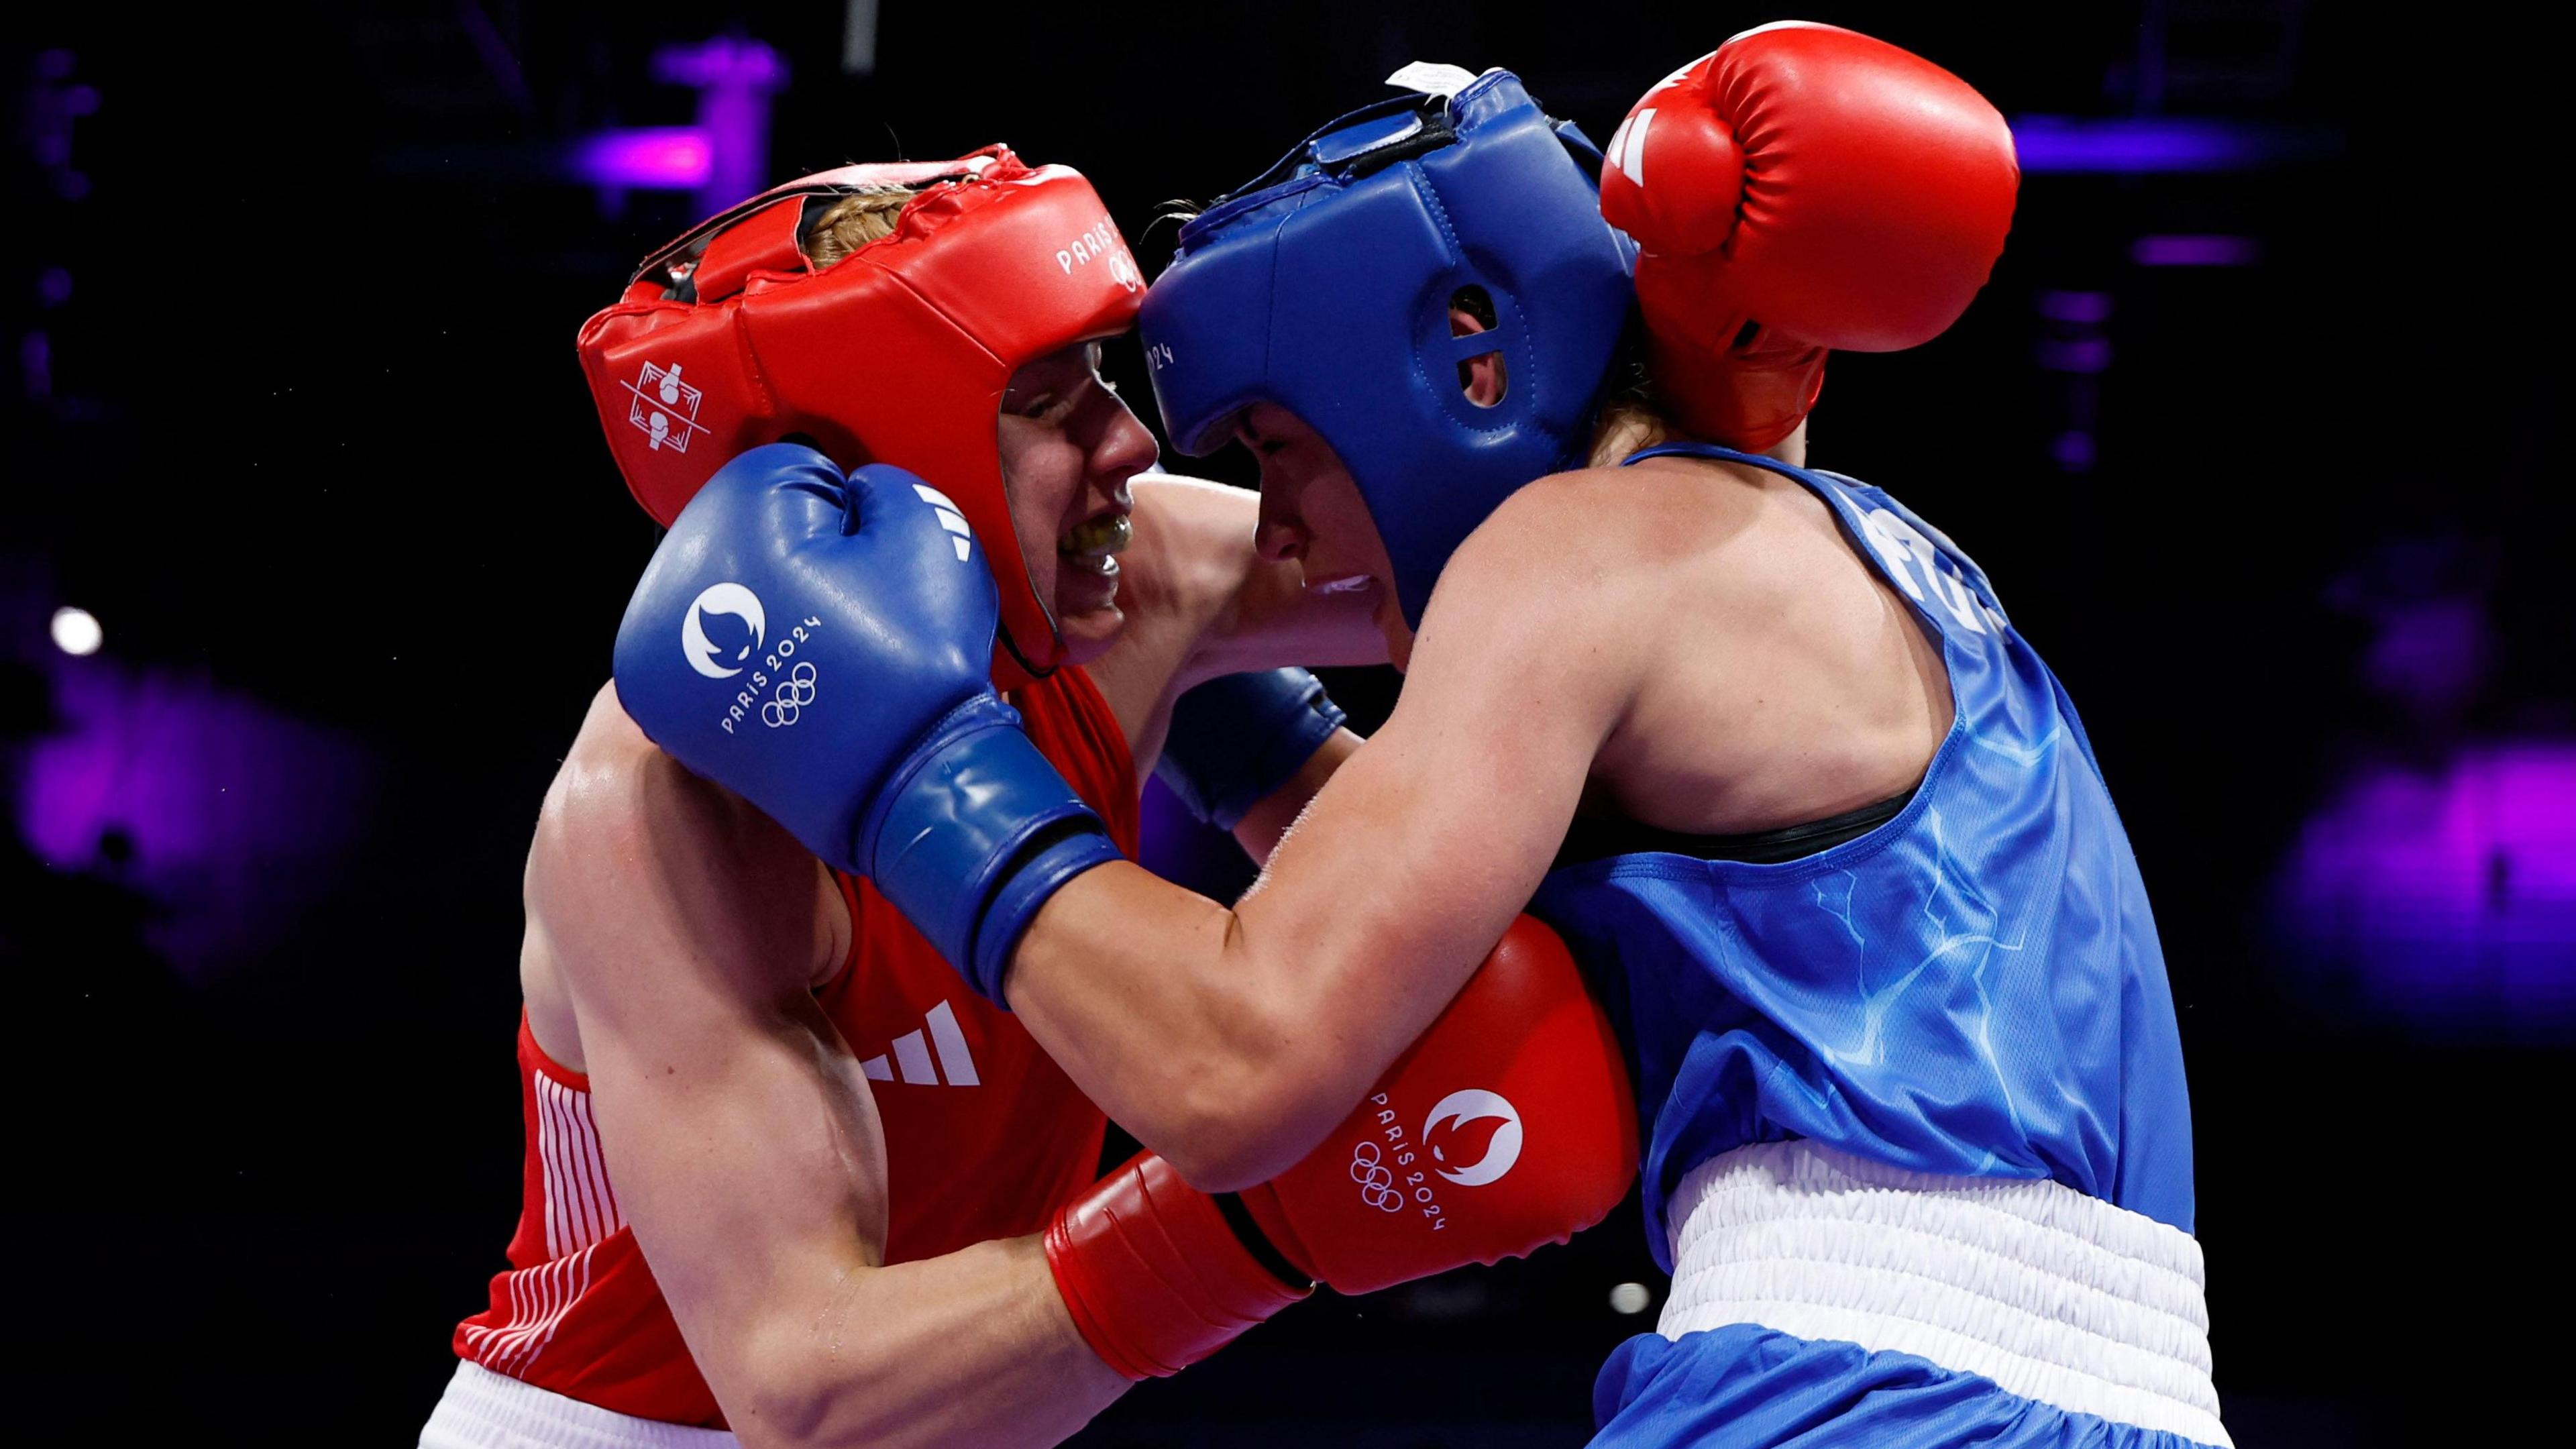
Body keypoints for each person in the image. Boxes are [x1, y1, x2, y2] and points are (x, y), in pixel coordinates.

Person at [612, 24, 2231, 1449]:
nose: (1280, 543)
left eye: (1271, 448)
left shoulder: (1561, 555)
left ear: (1455, 368)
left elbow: (1232, 1066)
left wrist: (921, 773)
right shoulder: (1821, 542)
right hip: (2138, 1394)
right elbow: (1431, 920)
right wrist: (1227, 730)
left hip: (1851, 1389)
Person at [428, 147, 1635, 1448]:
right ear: (876, 458)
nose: (1128, 444)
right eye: (1047, 406)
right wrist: (1258, 1227)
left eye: (1102, 380)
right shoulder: (667, 811)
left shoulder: (1140, 589)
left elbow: (1550, 567)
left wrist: (1667, 370)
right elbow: (800, 1387)